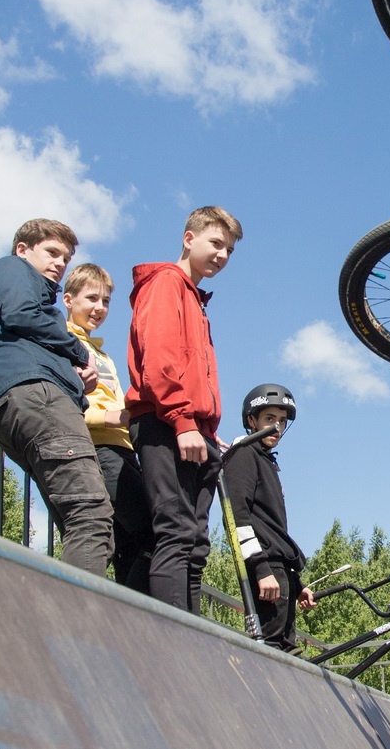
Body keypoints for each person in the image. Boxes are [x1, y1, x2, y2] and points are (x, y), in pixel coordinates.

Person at [125, 206, 243, 612]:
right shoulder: (165, 283)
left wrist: (206, 428)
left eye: (229, 249)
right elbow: (159, 360)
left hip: (195, 430)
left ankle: (195, 636)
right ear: (188, 238)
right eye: (215, 243)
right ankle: (172, 640)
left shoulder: (196, 299)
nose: (222, 255)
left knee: (195, 543)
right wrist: (183, 420)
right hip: (164, 422)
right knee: (174, 532)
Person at [0, 219, 114, 575]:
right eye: (52, 252)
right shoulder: (12, 269)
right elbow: (20, 312)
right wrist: (78, 351)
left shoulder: (35, 308)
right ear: (23, 249)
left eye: (65, 257)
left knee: (74, 520)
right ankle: (77, 629)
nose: (60, 263)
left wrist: (79, 379)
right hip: (38, 396)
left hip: (28, 398)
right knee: (91, 517)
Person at [63, 263, 153, 593]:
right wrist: (109, 418)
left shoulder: (101, 352)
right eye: (91, 299)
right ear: (68, 300)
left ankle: (122, 613)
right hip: (101, 448)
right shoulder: (63, 342)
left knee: (128, 545)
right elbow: (63, 403)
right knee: (153, 533)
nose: (99, 308)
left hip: (124, 449)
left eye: (105, 301)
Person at [223, 384, 316, 651]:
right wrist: (261, 570)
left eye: (282, 421)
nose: (276, 427)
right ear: (251, 421)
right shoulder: (243, 454)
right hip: (266, 571)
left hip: (281, 572)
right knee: (270, 651)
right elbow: (237, 518)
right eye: (269, 419)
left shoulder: (266, 460)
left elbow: (272, 529)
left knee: (288, 651)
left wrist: (297, 585)